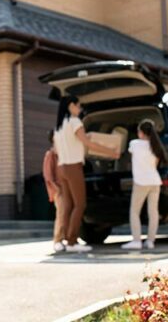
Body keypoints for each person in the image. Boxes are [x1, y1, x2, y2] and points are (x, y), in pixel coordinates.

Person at [53, 95, 121, 253]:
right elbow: (88, 143)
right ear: (71, 106)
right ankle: (71, 242)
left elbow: (57, 150)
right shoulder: (75, 122)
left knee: (67, 206)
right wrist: (111, 152)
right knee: (80, 204)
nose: (80, 109)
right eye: (78, 106)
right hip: (73, 167)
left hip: (61, 167)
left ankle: (60, 240)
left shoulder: (58, 127)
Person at [121, 119, 166, 250]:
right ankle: (150, 241)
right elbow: (155, 164)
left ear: (141, 132)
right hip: (155, 181)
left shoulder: (134, 144)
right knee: (153, 212)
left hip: (141, 182)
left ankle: (136, 240)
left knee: (134, 211)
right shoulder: (156, 147)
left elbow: (129, 154)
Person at [42, 130, 68, 253]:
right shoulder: (50, 155)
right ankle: (57, 240)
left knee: (68, 214)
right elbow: (48, 175)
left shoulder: (63, 153)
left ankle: (68, 239)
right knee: (61, 215)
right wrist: (56, 189)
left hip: (67, 188)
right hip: (59, 190)